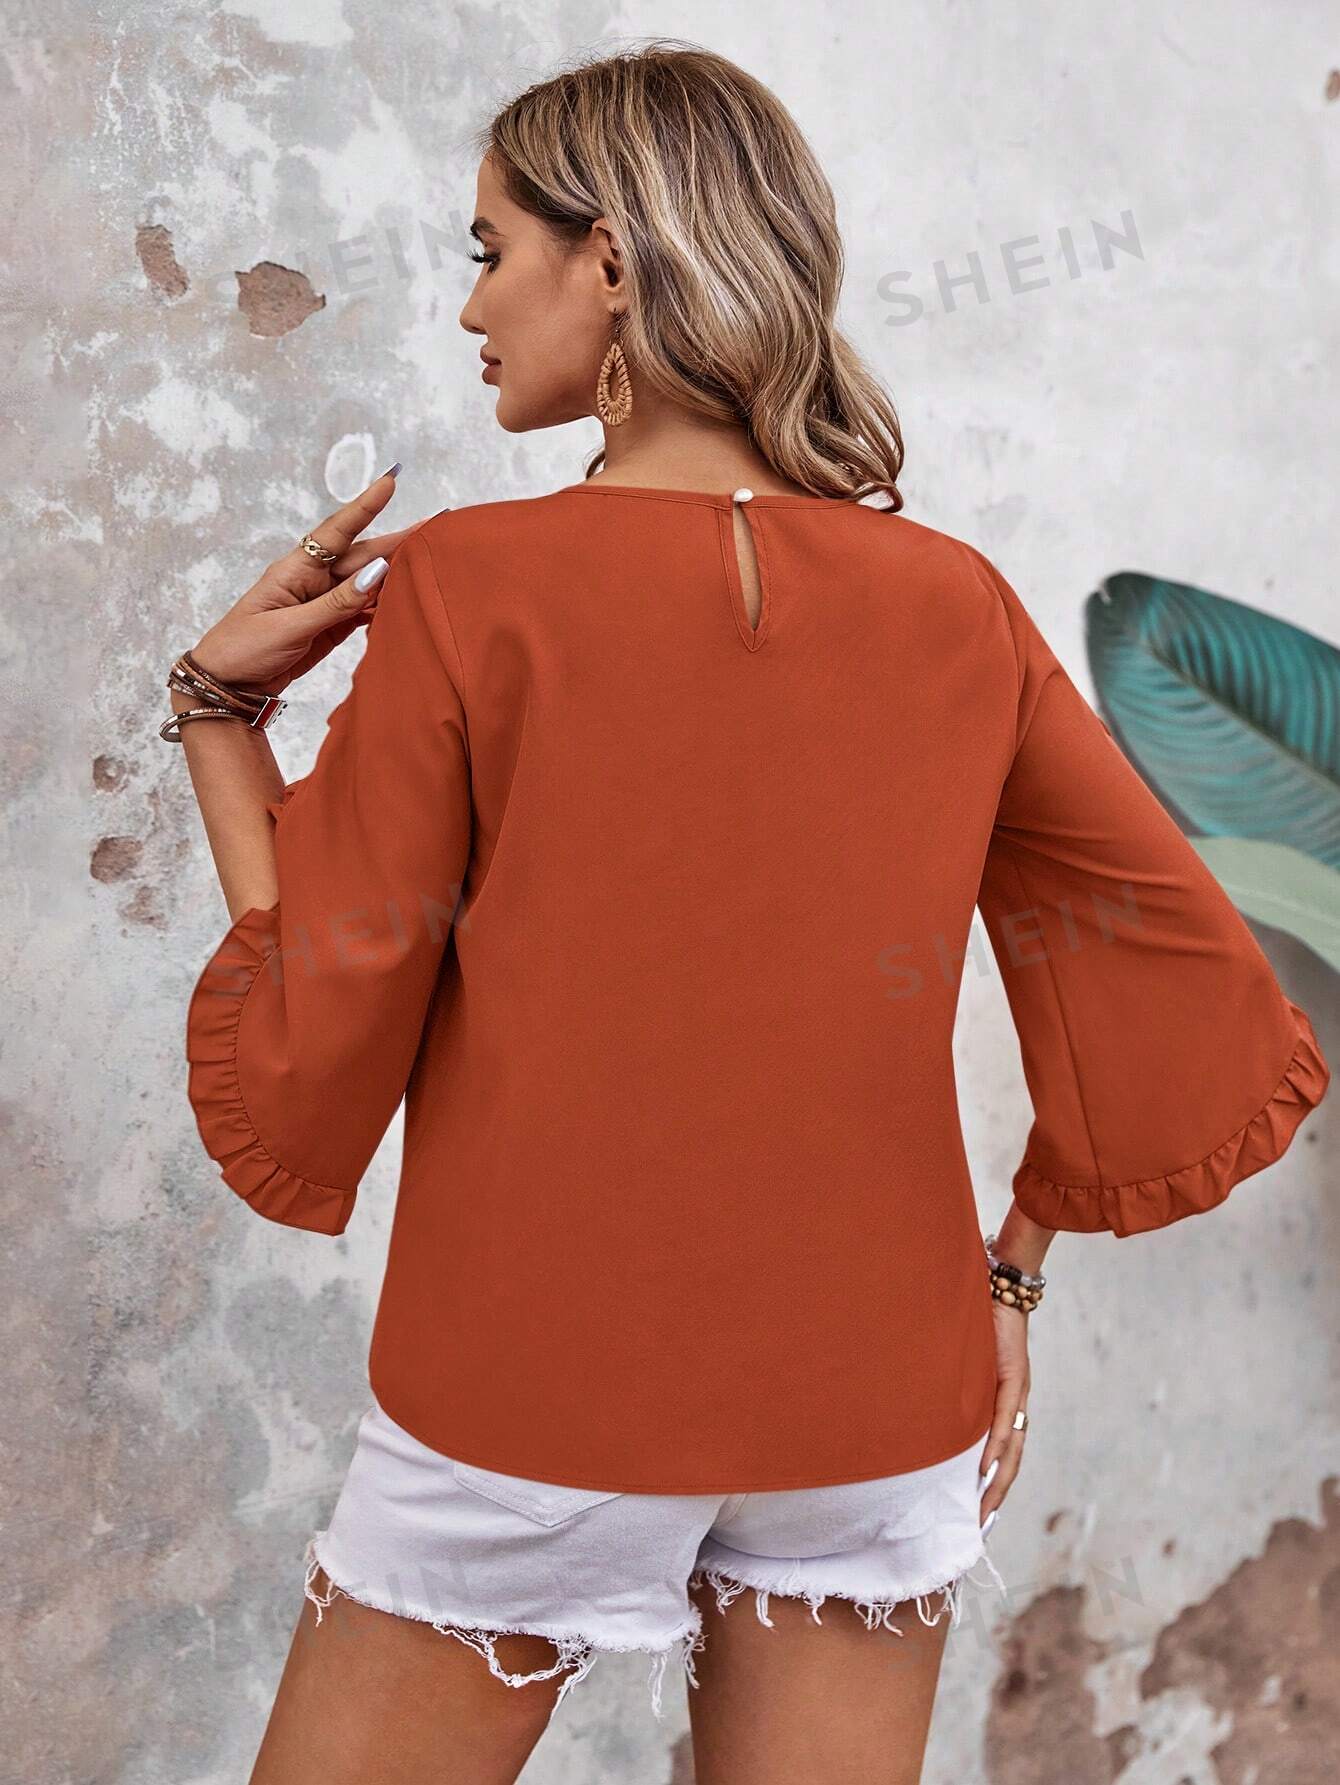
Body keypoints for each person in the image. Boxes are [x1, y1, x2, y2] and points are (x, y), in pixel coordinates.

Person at [168, 43, 1329, 1785]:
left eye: (490, 250)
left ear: (610, 260)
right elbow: (1158, 955)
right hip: (880, 1401)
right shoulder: (957, 603)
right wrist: (1010, 1271)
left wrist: (215, 711)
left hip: (536, 1387)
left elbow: (326, 989)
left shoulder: (474, 588)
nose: (470, 305)